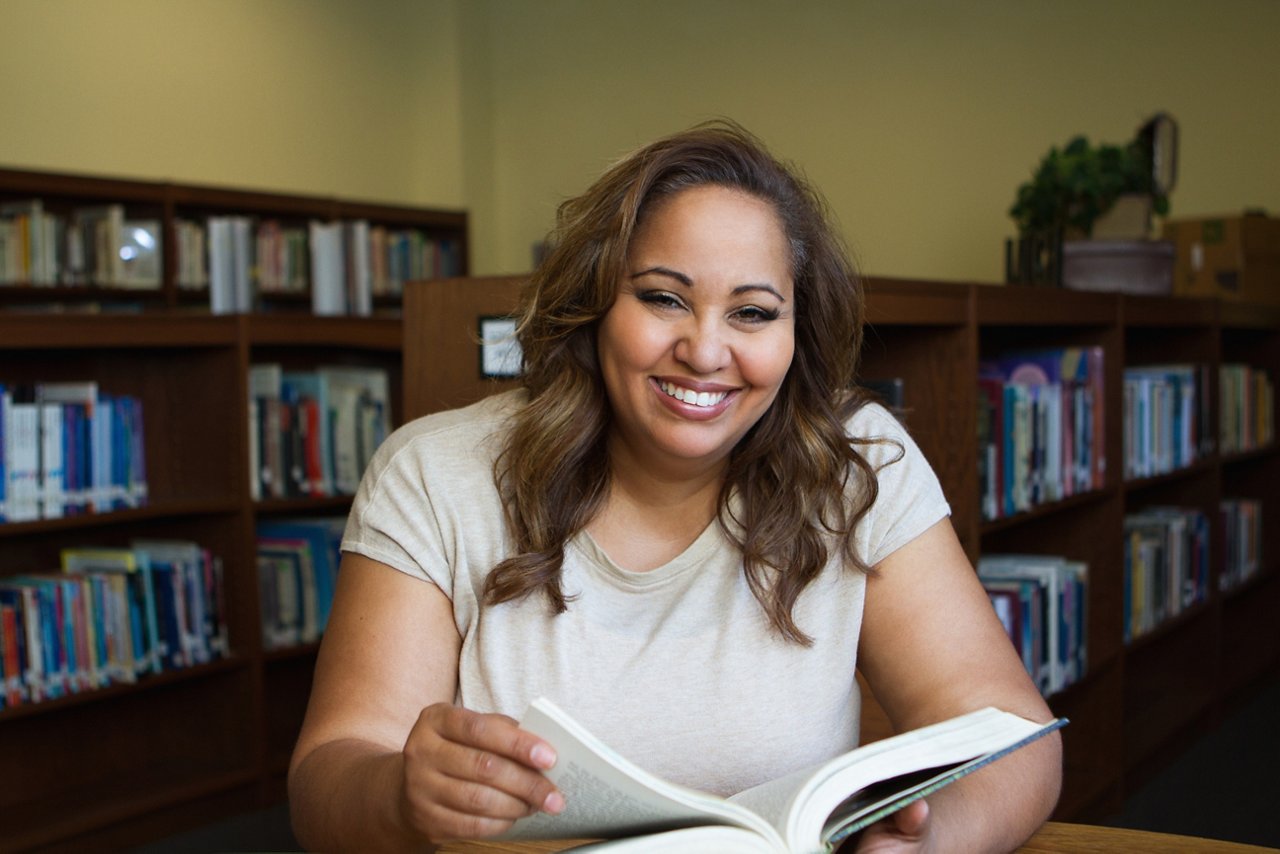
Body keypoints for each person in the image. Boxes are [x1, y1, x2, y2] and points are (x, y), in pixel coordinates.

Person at [288, 120, 1062, 852]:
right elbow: (329, 774)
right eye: (663, 297)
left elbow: (1013, 738)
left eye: (753, 313)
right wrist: (397, 795)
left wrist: (935, 840)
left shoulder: (857, 463)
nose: (705, 350)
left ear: (798, 334)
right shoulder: (434, 474)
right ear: (592, 305)